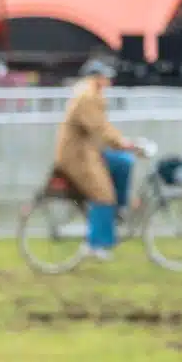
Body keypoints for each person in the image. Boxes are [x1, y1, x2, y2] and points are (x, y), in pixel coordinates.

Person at [52, 59, 141, 260]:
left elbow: (102, 128)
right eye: (105, 77)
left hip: (89, 151)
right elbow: (98, 128)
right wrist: (122, 142)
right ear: (96, 78)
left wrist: (123, 143)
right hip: (77, 156)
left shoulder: (93, 95)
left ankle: (117, 212)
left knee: (123, 162)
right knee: (103, 193)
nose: (109, 80)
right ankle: (95, 244)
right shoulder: (87, 96)